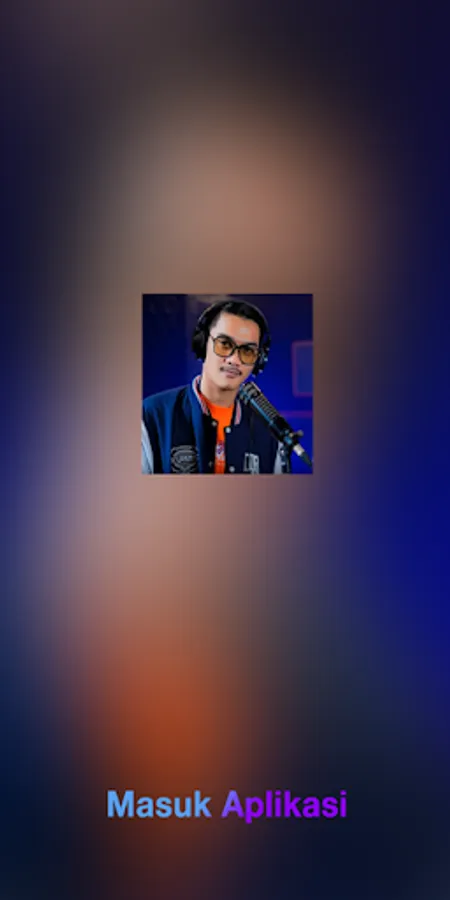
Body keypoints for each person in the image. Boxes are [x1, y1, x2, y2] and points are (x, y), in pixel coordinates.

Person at [141, 297, 284, 474]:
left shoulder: (270, 431)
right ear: (202, 344)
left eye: (247, 351)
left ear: (258, 360)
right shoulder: (151, 415)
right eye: (225, 344)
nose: (234, 360)